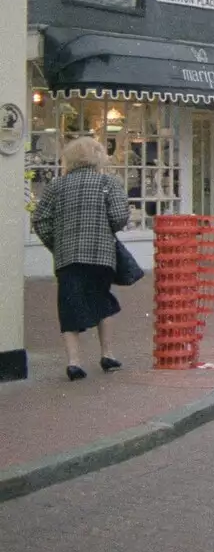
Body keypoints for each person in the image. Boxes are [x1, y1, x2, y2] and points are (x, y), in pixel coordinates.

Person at [29, 137, 129, 381]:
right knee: (101, 300)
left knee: (69, 305)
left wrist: (56, 241)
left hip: (67, 256)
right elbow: (119, 216)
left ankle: (74, 362)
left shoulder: (56, 186)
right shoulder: (109, 182)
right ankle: (107, 354)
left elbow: (40, 220)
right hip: (100, 255)